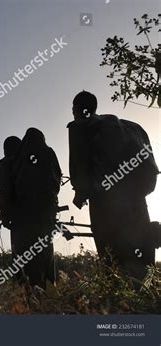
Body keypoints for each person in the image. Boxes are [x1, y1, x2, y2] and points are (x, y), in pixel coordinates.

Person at [68, 90, 159, 281]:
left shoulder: (80, 127)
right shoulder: (130, 127)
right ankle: (145, 302)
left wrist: (80, 192)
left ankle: (119, 304)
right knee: (141, 257)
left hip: (105, 205)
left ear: (76, 109)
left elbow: (79, 163)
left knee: (112, 262)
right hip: (136, 201)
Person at [12, 128, 62, 287]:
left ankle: (27, 291)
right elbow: (56, 179)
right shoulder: (48, 152)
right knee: (45, 251)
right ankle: (47, 287)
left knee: (26, 254)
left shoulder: (19, 158)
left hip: (24, 216)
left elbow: (13, 186)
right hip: (46, 214)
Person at [0, 136, 23, 279]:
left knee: (20, 256)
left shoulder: (6, 163)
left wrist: (5, 215)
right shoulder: (33, 161)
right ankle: (48, 291)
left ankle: (22, 290)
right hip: (43, 216)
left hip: (18, 218)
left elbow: (4, 190)